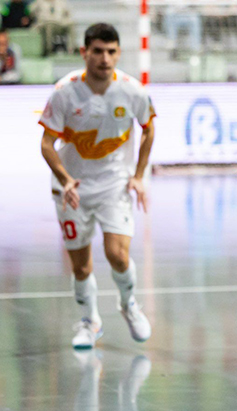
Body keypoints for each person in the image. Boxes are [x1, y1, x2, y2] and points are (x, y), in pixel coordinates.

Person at [38, 23, 155, 349]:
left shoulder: (132, 90)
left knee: (117, 254)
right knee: (81, 265)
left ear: (118, 53)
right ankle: (90, 322)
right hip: (71, 189)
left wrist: (138, 174)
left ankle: (129, 304)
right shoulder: (65, 92)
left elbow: (148, 128)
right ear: (84, 52)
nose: (105, 58)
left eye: (111, 51)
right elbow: (47, 144)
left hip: (114, 184)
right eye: (98, 51)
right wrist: (65, 179)